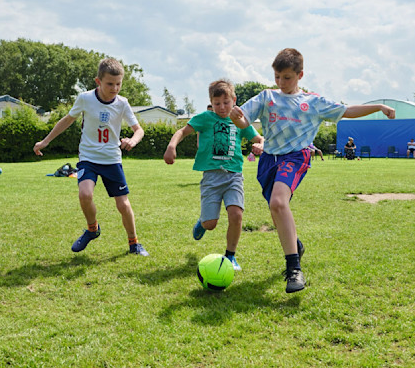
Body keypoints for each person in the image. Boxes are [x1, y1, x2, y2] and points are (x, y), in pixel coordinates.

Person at [230, 48, 396, 293]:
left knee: (277, 203)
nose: (281, 82)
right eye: (277, 77)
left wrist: (379, 106)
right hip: (269, 160)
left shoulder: (313, 102)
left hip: (296, 157)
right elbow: (244, 120)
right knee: (277, 209)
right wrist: (237, 119)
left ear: (300, 75)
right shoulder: (266, 97)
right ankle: (295, 245)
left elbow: (347, 111)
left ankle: (294, 269)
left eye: (287, 77)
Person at [33, 58, 148, 256]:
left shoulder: (123, 104)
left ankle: (134, 243)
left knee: (123, 204)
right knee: (85, 194)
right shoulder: (85, 98)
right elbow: (68, 119)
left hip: (112, 159)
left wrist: (133, 141)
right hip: (88, 157)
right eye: (109, 84)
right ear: (98, 81)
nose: (114, 88)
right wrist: (45, 141)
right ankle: (92, 229)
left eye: (118, 83)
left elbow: (139, 130)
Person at [164, 79, 264, 271]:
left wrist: (260, 144)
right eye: (217, 104)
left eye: (226, 103)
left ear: (234, 100)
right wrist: (171, 146)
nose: (222, 107)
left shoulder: (240, 120)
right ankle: (202, 222)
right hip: (211, 177)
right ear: (211, 102)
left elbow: (259, 137)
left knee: (236, 214)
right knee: (211, 224)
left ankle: (231, 255)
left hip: (234, 175)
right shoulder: (205, 118)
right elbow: (182, 131)